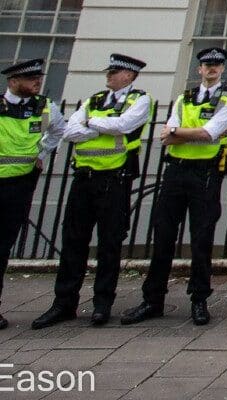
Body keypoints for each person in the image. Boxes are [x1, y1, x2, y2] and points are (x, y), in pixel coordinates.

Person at [121, 47, 227, 326]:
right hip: (175, 172)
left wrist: (180, 133)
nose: (211, 68)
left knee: (201, 239)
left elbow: (210, 133)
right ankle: (153, 300)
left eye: (217, 65)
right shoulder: (184, 98)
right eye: (207, 65)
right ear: (199, 69)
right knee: (162, 237)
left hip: (206, 174)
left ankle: (199, 300)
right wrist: (184, 133)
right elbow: (167, 136)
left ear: (222, 69)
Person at [32, 54, 152, 329]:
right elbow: (70, 132)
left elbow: (124, 126)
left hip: (115, 178)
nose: (109, 75)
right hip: (83, 178)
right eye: (109, 71)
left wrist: (91, 123)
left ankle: (102, 304)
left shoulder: (139, 99)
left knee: (109, 244)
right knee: (73, 240)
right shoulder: (93, 100)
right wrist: (99, 125)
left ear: (130, 75)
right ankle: (64, 303)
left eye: (115, 71)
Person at [0, 58, 65, 330]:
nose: (37, 82)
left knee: (2, 246)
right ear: (13, 81)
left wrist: (41, 153)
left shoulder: (45, 107)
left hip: (20, 184)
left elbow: (59, 131)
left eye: (39, 78)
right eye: (31, 79)